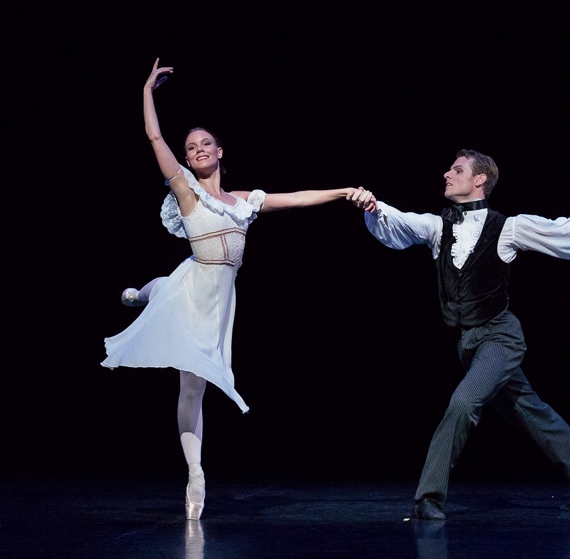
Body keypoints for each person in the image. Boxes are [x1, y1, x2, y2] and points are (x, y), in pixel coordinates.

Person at [102, 59, 371, 521]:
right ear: (187, 160)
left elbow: (298, 198)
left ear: (221, 152)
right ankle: (196, 472)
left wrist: (344, 190)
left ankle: (139, 295)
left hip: (218, 302)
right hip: (193, 291)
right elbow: (154, 138)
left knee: (168, 297)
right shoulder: (187, 192)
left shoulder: (245, 202)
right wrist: (147, 89)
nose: (199, 149)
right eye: (192, 147)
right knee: (185, 364)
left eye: (207, 143)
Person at [349, 149, 570, 519]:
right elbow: (397, 221)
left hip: (500, 338)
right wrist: (373, 206)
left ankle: (428, 497)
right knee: (532, 411)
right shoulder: (437, 228)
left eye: (457, 169)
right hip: (468, 343)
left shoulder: (508, 227)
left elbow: (564, 229)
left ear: (480, 180)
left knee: (463, 402)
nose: (447, 174)